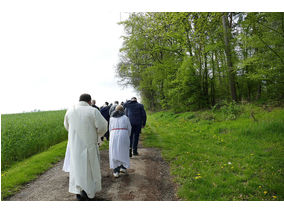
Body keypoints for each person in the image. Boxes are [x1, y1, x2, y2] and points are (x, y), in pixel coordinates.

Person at [64, 93, 108, 201]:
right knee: (89, 170)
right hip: (89, 145)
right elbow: (103, 126)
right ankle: (88, 194)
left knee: (76, 168)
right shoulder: (93, 111)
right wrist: (97, 135)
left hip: (75, 146)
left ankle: (78, 192)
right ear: (89, 101)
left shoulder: (70, 111)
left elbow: (66, 126)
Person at [109, 105, 132, 177]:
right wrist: (128, 136)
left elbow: (110, 129)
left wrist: (111, 136)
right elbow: (129, 128)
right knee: (123, 151)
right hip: (123, 134)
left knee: (114, 152)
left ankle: (116, 171)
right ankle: (123, 167)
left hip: (113, 135)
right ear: (123, 110)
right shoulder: (125, 118)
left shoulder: (111, 118)